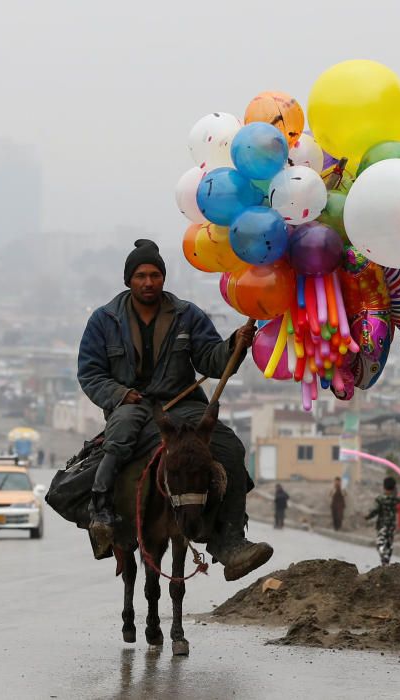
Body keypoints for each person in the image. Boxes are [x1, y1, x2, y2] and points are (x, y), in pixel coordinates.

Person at [77, 239, 272, 581]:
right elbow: (90, 373)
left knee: (231, 447)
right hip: (131, 406)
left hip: (183, 408)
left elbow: (212, 360)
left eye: (154, 275)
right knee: (119, 440)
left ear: (163, 278)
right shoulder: (104, 320)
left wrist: (233, 346)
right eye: (140, 275)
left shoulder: (187, 315)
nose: (148, 282)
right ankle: (102, 512)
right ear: (129, 280)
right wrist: (120, 394)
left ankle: (230, 541)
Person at [365, 476, 400, 566]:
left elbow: (375, 510)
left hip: (382, 525)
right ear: (393, 488)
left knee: (380, 542)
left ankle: (384, 558)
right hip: (392, 525)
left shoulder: (380, 499)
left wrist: (367, 517)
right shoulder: (395, 499)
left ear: (384, 486)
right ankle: (386, 561)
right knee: (389, 543)